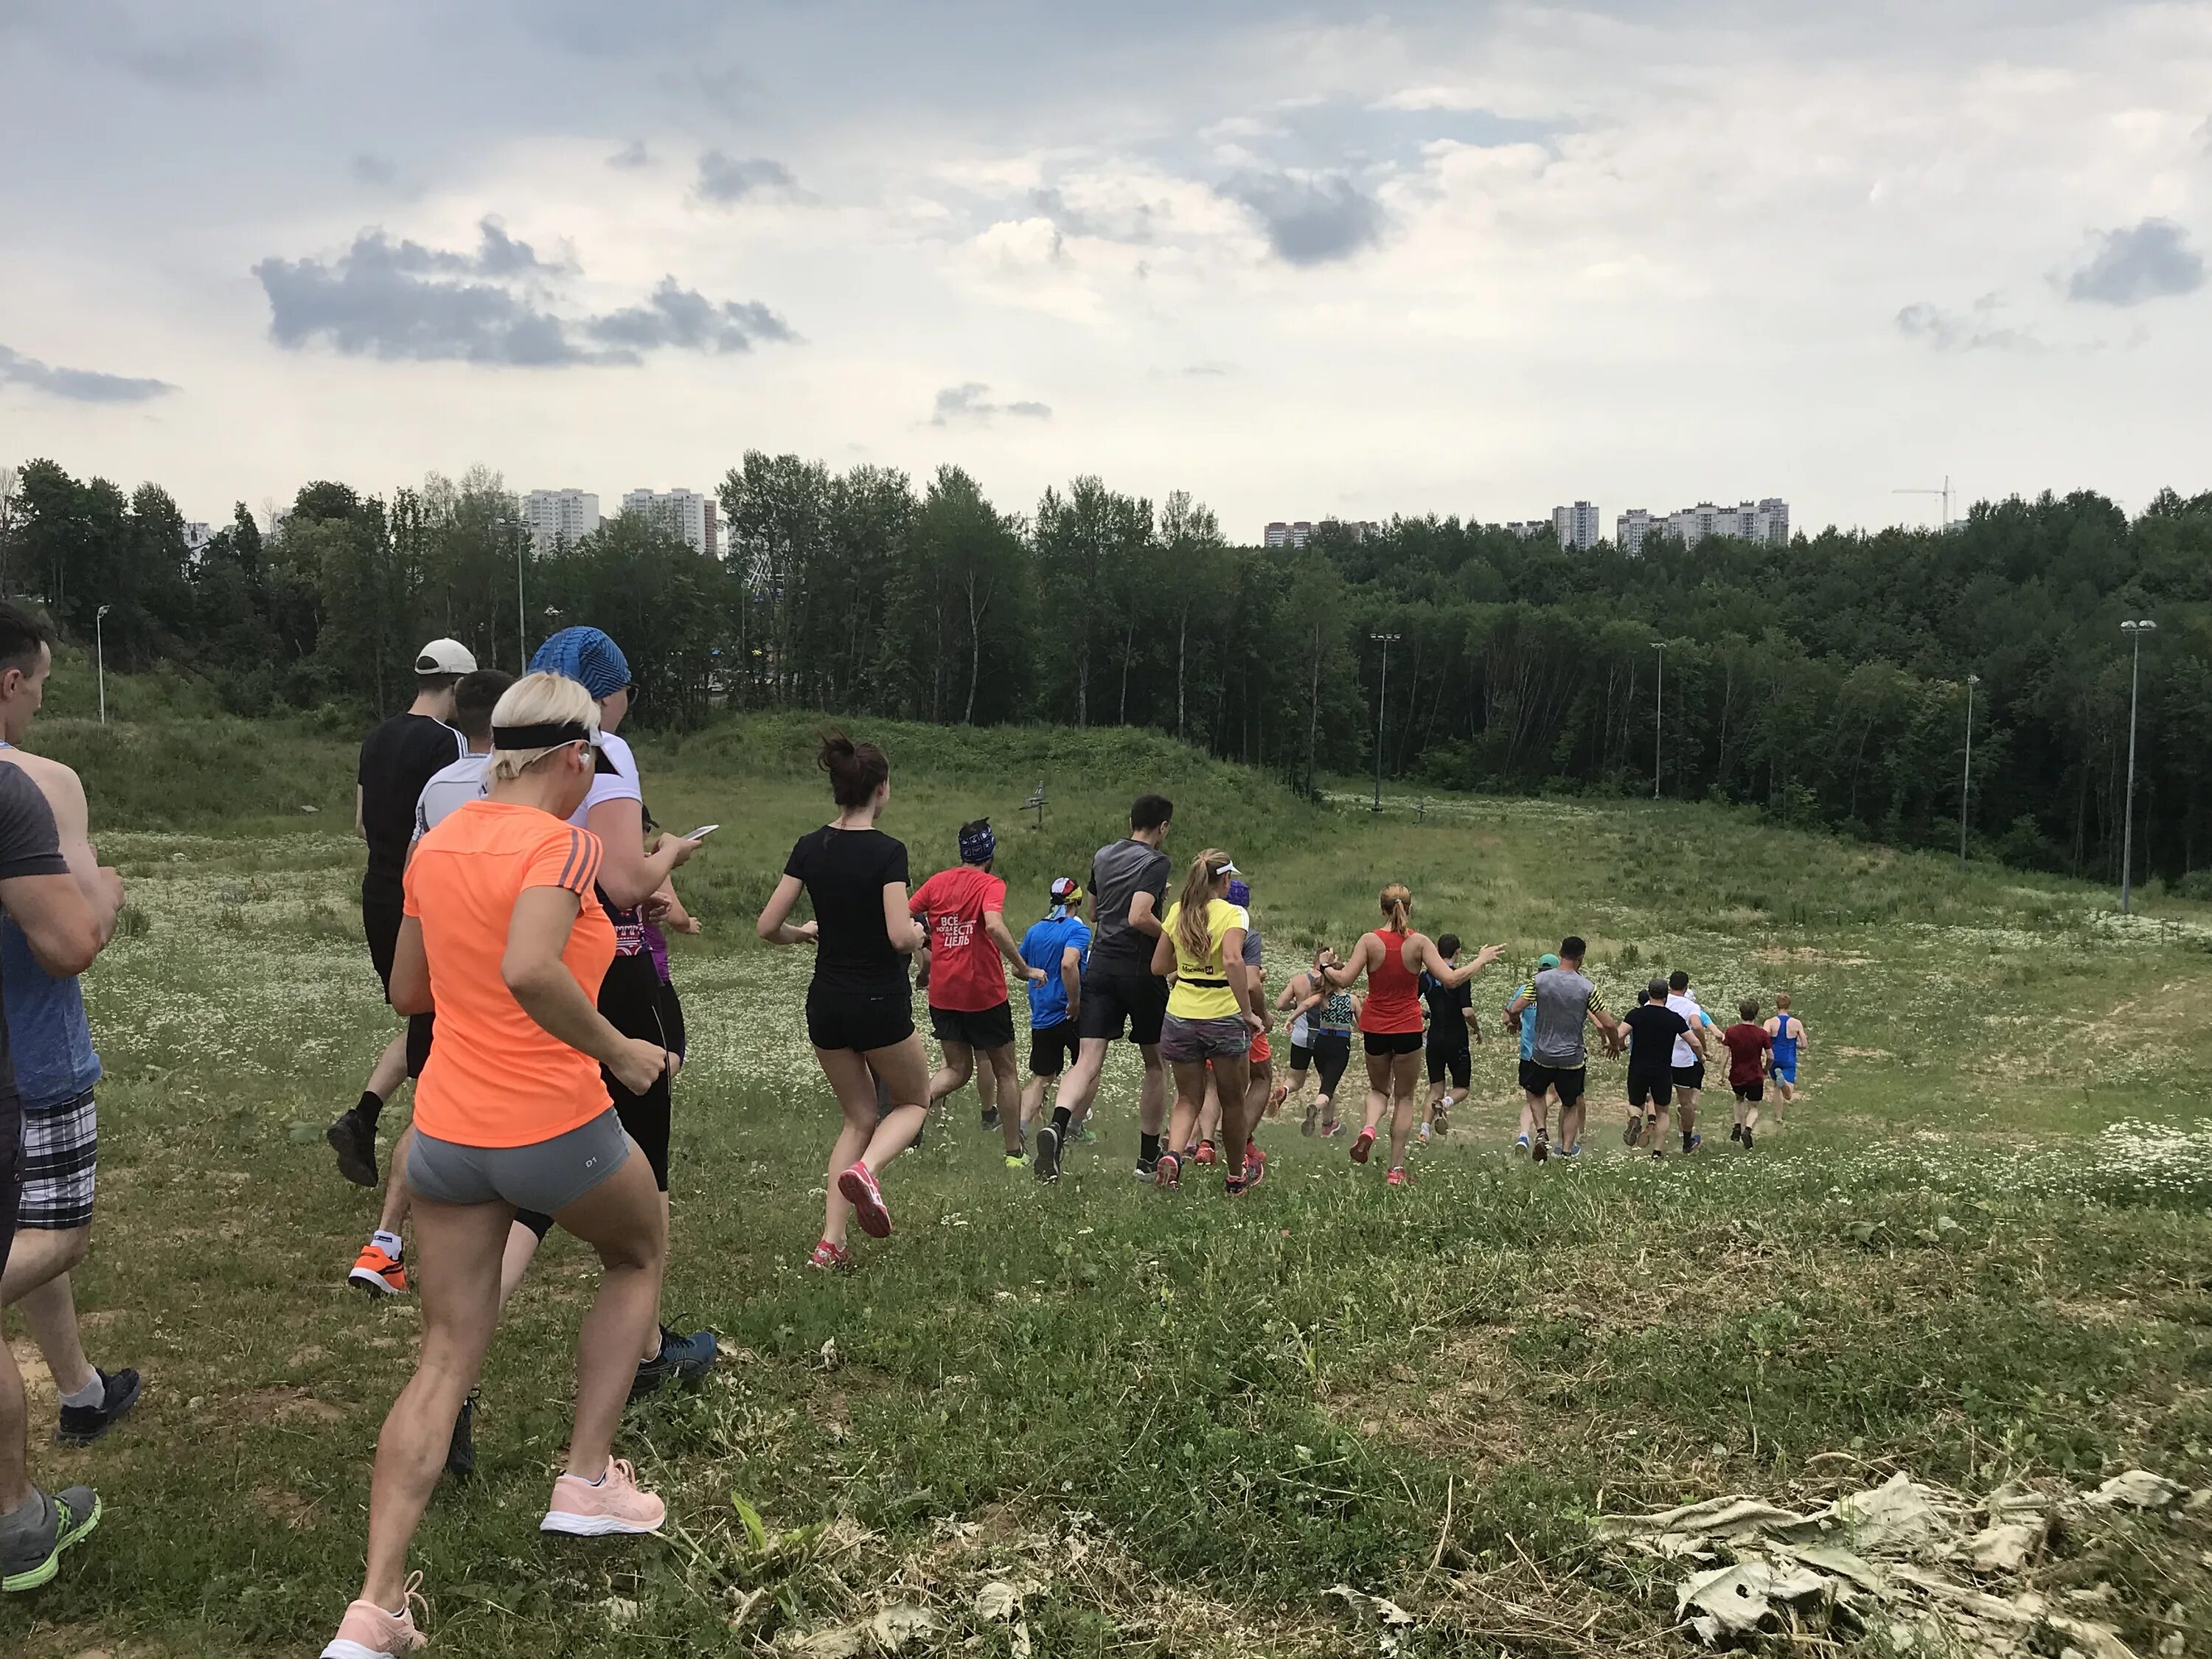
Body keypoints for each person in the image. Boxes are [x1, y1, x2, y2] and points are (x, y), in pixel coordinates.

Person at [321, 673, 674, 1658]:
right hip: (552, 1119)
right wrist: (622, 1048)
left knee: (443, 1355)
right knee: (638, 1254)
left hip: (445, 1137)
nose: (589, 781)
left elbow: (407, 989)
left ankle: (376, 1604)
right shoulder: (562, 844)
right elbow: (530, 966)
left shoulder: (438, 845)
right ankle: (589, 1475)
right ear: (571, 756)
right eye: (591, 764)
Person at [496, 630, 709, 1403]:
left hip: (538, 966)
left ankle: (458, 1370)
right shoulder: (604, 752)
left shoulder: (504, 756)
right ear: (603, 693)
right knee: (643, 1160)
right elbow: (621, 882)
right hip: (608, 967)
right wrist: (670, 857)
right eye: (623, 694)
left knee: (534, 1185)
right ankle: (648, 1348)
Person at [0, 625, 119, 1599]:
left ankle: (78, 1386)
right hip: (34, 1054)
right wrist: (110, 892)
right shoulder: (39, 783)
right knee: (61, 1230)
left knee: (23, 1225)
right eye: (40, 680)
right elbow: (73, 933)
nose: (44, 695)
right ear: (11, 680)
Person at [341, 667, 514, 1298]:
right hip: (491, 971)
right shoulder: (512, 784)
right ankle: (392, 1241)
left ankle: (388, 1240)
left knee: (438, 1085)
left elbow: (415, 869)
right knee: (448, 1097)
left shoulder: (438, 782)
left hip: (436, 949)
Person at [326, 639, 473, 1288]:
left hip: (379, 895)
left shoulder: (376, 738)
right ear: (460, 689)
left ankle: (363, 1114)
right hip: (426, 900)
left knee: (419, 1014)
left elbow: (362, 823)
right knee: (439, 1036)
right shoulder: (449, 746)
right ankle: (390, 1236)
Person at [757, 731, 930, 1269]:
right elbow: (900, 936)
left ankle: (830, 1244)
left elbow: (766, 926)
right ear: (880, 789)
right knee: (913, 1103)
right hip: (878, 1000)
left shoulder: (811, 846)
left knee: (856, 1117)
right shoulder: (887, 852)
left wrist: (803, 935)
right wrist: (921, 937)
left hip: (825, 1002)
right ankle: (869, 1170)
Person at [1324, 886, 1503, 1186]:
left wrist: (1327, 965)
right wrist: (1481, 959)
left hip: (1376, 1028)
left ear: (1382, 909)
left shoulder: (1369, 941)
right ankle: (1395, 1170)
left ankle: (1369, 1128)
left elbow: (1344, 979)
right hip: (1408, 1029)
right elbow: (1451, 978)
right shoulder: (1418, 942)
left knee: (1379, 1091)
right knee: (1404, 1097)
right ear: (1410, 908)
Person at [1048, 795, 1173, 1180]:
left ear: (1131, 820)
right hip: (1140, 969)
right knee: (1155, 1064)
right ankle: (1147, 1159)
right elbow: (1139, 916)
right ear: (1162, 827)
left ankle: (1056, 1126)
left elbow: (1093, 912)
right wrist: (1172, 934)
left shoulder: (1103, 855)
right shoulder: (1156, 861)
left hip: (1099, 965)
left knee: (1087, 1060)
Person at [910, 819, 1045, 1169]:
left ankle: (908, 1110)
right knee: (1006, 1072)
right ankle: (1014, 1153)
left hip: (943, 992)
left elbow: (904, 915)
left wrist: (923, 944)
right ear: (990, 853)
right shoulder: (990, 884)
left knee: (956, 1069)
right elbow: (995, 925)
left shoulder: (937, 883)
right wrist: (1023, 967)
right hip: (983, 994)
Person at [1150, 852, 1267, 1194]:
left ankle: (1173, 1155)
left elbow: (1159, 966)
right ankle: (1235, 1176)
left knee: (1188, 1097)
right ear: (1226, 881)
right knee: (1233, 1101)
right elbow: (1232, 959)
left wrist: (1189, 961)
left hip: (1181, 1013)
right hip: (1223, 1016)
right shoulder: (1233, 914)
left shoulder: (1178, 912)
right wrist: (1248, 1012)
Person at [1505, 936, 1620, 1161]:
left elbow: (1515, 1007)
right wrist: (1614, 1043)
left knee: (1535, 1093)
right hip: (1572, 1057)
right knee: (1570, 1104)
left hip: (1542, 1054)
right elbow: (1608, 1023)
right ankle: (1566, 1151)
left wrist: (1516, 1020)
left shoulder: (1539, 981)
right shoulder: (1588, 988)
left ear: (1560, 954)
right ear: (1581, 959)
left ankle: (1541, 1131)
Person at [1023, 879, 1091, 1183]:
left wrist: (1036, 974)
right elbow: (1068, 964)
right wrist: (1075, 1002)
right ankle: (1073, 1126)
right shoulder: (1077, 929)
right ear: (1075, 903)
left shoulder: (1034, 931)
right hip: (1070, 1012)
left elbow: (1018, 966)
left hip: (1041, 1014)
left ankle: (1020, 1131)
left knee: (1041, 1077)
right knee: (1086, 1068)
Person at [1618, 978, 1691, 1158]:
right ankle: (1657, 1151)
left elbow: (1619, 1034)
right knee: (1662, 1111)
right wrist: (1702, 1054)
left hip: (1638, 1068)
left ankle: (1635, 1118)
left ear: (1649, 993)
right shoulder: (1673, 1018)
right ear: (1666, 995)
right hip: (1662, 1070)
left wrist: (1619, 1045)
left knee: (1635, 1104)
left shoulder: (1636, 1014)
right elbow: (1694, 1041)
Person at [1419, 932, 1479, 1144]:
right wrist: (1477, 1030)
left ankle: (1424, 1132)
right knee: (1462, 1087)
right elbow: (1467, 1012)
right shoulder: (1461, 976)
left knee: (1435, 1087)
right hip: (1457, 1040)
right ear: (1458, 951)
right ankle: (1444, 1104)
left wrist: (1426, 1015)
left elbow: (1410, 1003)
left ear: (1436, 949)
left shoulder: (1425, 977)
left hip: (1434, 1038)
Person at [1504, 952, 1560, 1153]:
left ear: (1538, 970)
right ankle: (1542, 1133)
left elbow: (1507, 1016)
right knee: (1552, 1095)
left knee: (1533, 1097)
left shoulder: (1524, 990)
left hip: (1529, 1054)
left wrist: (1516, 1022)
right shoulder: (1560, 992)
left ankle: (1523, 1135)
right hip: (1555, 1054)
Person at [1665, 969, 1718, 1155]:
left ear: (1669, 985)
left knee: (1659, 1100)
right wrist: (1702, 1048)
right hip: (1682, 1060)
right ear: (1686, 987)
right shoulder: (1690, 1006)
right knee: (1686, 1102)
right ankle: (1687, 1142)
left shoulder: (1659, 1001)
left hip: (1661, 1058)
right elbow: (1696, 1025)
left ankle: (1656, 1142)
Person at [1304, 961, 1359, 1138]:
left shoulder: (1323, 997)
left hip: (1321, 1042)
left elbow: (1305, 1005)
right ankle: (1316, 1107)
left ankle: (1328, 1125)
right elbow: (1363, 1025)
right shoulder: (1352, 999)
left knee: (1326, 1083)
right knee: (1328, 1089)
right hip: (1340, 1044)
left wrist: (1291, 1018)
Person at [1275, 948, 1329, 1124]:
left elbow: (1280, 1004)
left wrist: (1296, 1006)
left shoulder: (1299, 980)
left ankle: (1284, 1089)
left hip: (1300, 1037)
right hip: (1324, 1038)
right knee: (1327, 1083)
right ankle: (1328, 1124)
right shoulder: (1330, 982)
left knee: (1295, 1080)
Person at [1722, 998, 1773, 1147]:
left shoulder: (1731, 1031)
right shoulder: (1762, 1034)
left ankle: (1737, 1125)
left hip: (1737, 1074)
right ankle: (1748, 1129)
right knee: (1754, 1106)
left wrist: (1721, 1072)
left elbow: (1726, 1054)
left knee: (1739, 1099)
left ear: (1741, 1013)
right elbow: (1770, 1056)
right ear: (1756, 1014)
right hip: (1755, 1075)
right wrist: (1765, 1070)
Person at [1764, 994, 1807, 1105]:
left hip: (1774, 1057)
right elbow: (1804, 1044)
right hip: (1789, 1058)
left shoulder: (1769, 1022)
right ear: (1789, 1006)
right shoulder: (1796, 1023)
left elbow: (1763, 1037)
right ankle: (1784, 1085)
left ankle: (1778, 1117)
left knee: (1776, 1087)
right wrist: (1794, 1044)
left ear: (1777, 1006)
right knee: (1788, 1095)